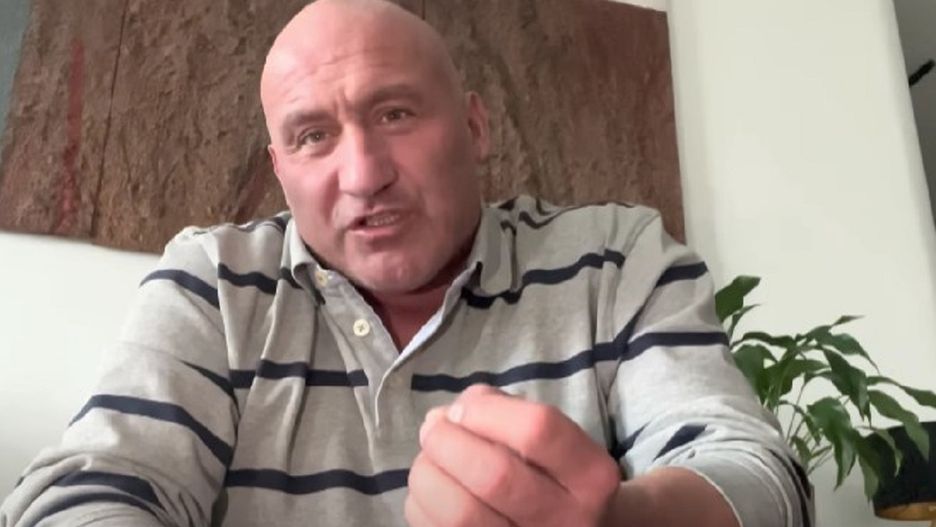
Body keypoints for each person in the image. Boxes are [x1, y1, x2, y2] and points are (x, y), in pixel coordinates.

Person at [1, 0, 814, 525]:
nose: (363, 175)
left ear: (476, 127)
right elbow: (90, 487)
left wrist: (619, 520)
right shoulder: (212, 283)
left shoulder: (614, 258)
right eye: (312, 135)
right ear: (280, 170)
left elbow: (761, 477)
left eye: (394, 113)